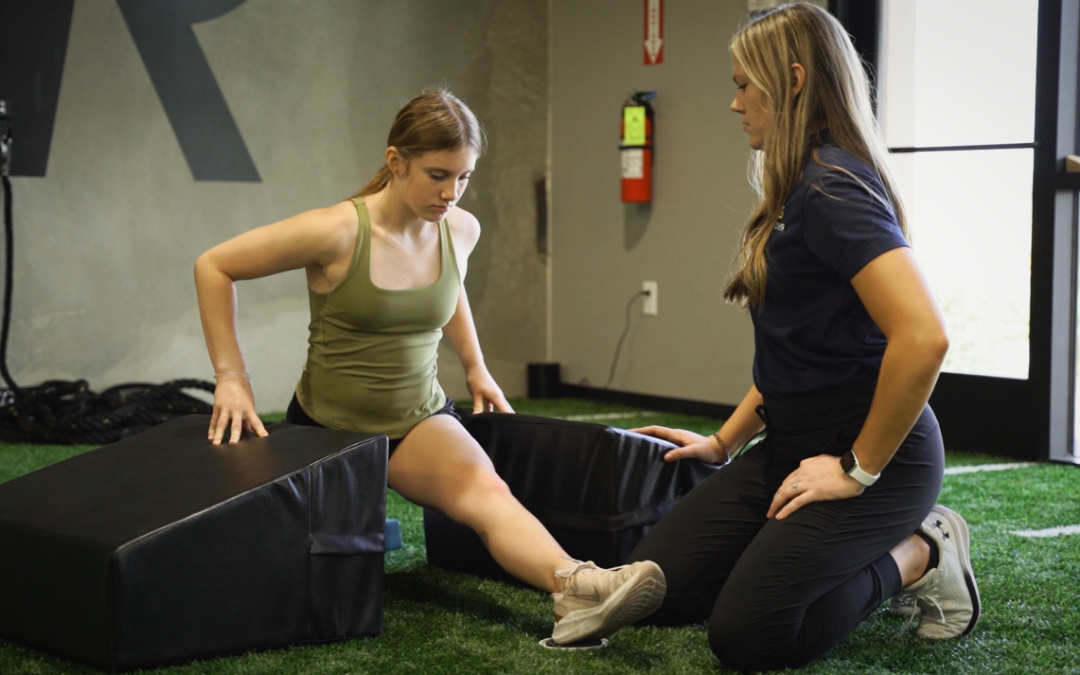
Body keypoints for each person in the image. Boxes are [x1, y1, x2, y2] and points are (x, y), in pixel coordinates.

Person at [194, 89, 665, 646]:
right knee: (283, 569)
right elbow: (214, 266)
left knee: (489, 491)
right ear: (396, 162)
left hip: (416, 417)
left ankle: (578, 590)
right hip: (327, 429)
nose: (451, 193)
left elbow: (451, 290)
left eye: (464, 178)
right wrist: (232, 377)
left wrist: (476, 366)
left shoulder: (460, 228)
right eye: (438, 175)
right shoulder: (337, 230)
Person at [626, 4, 980, 671]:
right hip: (789, 446)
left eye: (743, 85)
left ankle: (922, 552)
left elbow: (924, 335)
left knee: (748, 635)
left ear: (790, 81)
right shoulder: (795, 189)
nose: (734, 104)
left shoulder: (832, 189)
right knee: (658, 590)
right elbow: (798, 353)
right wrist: (723, 440)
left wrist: (857, 469)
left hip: (878, 461)